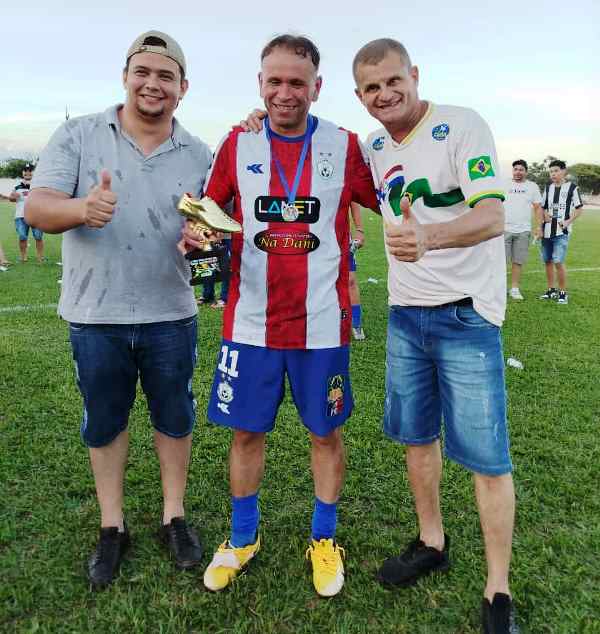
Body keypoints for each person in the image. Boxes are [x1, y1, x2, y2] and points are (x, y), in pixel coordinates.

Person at [180, 34, 378, 598]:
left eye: (297, 82)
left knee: (325, 432)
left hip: (322, 325)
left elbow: (389, 198)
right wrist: (196, 237)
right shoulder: (236, 145)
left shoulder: (345, 145)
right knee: (246, 433)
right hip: (250, 326)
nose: (285, 92)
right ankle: (243, 538)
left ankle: (324, 538)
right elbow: (208, 217)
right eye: (275, 81)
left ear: (317, 86)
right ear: (260, 84)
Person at [25, 30, 212, 589]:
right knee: (105, 420)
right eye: (143, 72)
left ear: (183, 87)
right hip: (95, 313)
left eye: (166, 75)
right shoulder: (79, 134)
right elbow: (36, 205)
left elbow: (208, 227)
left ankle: (173, 516)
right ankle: (113, 526)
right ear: (126, 77)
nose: (153, 84)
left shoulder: (199, 154)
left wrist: (199, 238)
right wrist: (82, 207)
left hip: (170, 312)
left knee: (173, 417)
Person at [353, 39, 519, 633]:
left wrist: (431, 239)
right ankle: (431, 540)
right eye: (372, 88)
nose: (385, 94)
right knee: (417, 438)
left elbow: (492, 216)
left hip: (466, 315)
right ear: (360, 95)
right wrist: (258, 118)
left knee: (485, 456)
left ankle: (497, 588)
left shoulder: (462, 126)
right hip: (406, 312)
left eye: (393, 80)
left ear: (414, 75)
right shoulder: (373, 145)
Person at [538, 159, 583, 305]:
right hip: (546, 231)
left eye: (556, 171)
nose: (553, 174)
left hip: (561, 232)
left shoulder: (572, 188)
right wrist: (544, 216)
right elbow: (543, 207)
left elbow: (579, 209)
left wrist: (568, 221)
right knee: (548, 261)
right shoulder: (548, 188)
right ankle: (551, 290)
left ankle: (563, 292)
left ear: (564, 171)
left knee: (558, 261)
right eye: (551, 171)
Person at [504, 160, 542, 300]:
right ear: (512, 171)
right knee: (501, 262)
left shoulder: (532, 186)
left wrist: (539, 227)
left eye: (521, 169)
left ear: (526, 171)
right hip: (504, 229)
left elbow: (538, 207)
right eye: (515, 169)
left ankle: (514, 289)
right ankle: (499, 288)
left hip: (523, 230)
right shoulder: (504, 184)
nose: (518, 172)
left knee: (518, 261)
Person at [10, 163, 45, 262]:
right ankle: (23, 257)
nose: (28, 172)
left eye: (30, 170)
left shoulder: (39, 185)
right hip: (20, 216)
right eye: (26, 170)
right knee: (22, 237)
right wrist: (12, 197)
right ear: (23, 172)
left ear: (33, 172)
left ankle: (40, 257)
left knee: (38, 236)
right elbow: (11, 198)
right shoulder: (17, 186)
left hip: (36, 216)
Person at [197, 235, 231, 308]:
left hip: (226, 237)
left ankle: (224, 298)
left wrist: (219, 237)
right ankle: (207, 295)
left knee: (225, 267)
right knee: (207, 265)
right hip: (207, 236)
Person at [349, 202, 366, 340]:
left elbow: (352, 200)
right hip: (311, 234)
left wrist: (359, 229)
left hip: (340, 235)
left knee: (350, 280)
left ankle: (356, 324)